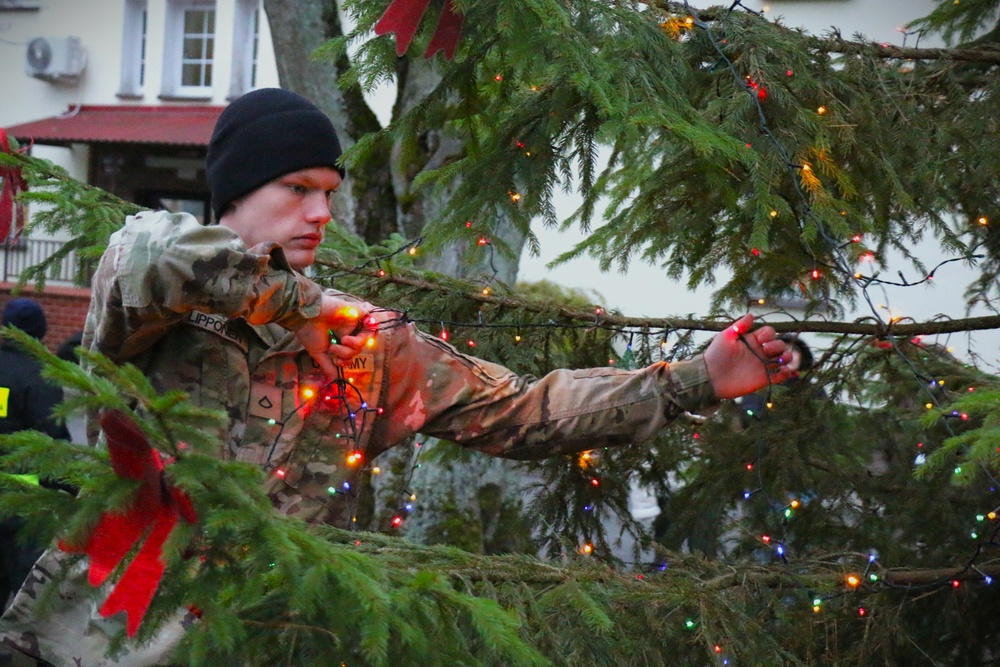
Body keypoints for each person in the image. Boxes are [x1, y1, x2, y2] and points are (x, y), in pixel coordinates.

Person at [0, 88, 791, 666]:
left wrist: (694, 378)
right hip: (99, 625)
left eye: (330, 194)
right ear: (235, 192)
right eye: (297, 190)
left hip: (263, 635)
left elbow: (523, 409)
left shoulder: (365, 343)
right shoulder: (153, 279)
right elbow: (155, 252)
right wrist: (300, 305)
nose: (320, 213)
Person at [0, 298, 71, 612]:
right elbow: (52, 444)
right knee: (28, 584)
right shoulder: (40, 376)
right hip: (21, 499)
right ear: (41, 332)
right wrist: (69, 487)